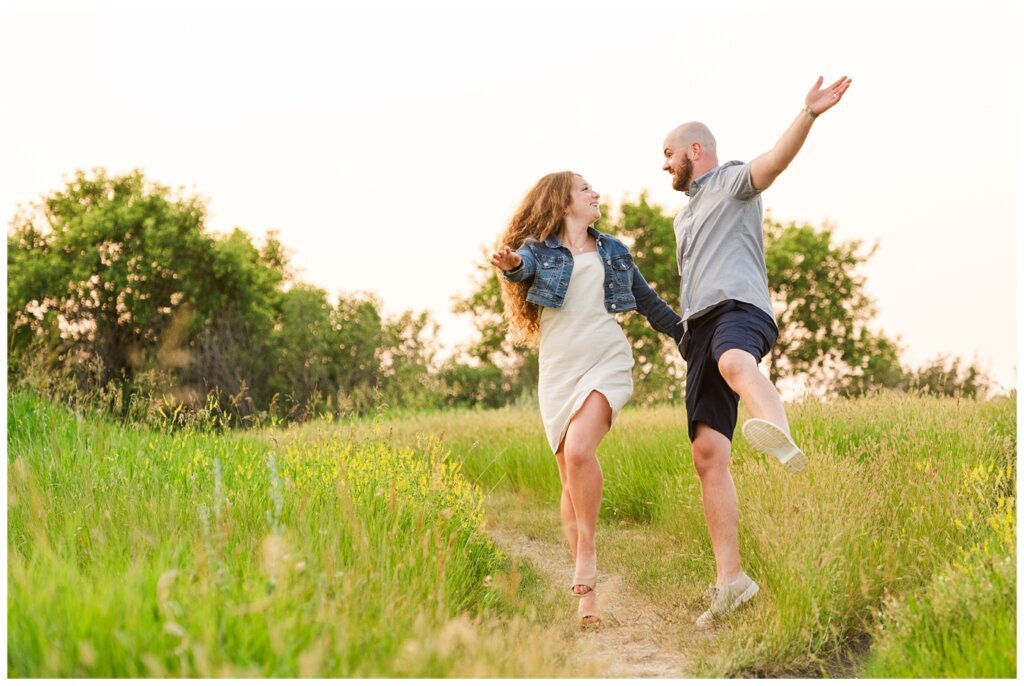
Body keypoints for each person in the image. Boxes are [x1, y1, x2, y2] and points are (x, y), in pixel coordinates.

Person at [661, 75, 853, 626]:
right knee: (707, 455)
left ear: (695, 151)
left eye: (669, 154)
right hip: (698, 328)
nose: (665, 164)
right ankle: (732, 582)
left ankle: (777, 425)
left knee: (736, 362)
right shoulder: (685, 215)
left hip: (740, 311)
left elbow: (774, 161)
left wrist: (808, 115)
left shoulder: (731, 183)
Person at [490, 171, 683, 627]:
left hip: (605, 359)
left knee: (580, 452)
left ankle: (588, 555)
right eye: (585, 190)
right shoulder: (538, 251)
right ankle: (588, 601)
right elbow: (525, 269)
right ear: (562, 202)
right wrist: (512, 265)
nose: (595, 194)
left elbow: (648, 302)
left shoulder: (612, 249)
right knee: (569, 479)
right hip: (558, 371)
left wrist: (691, 338)